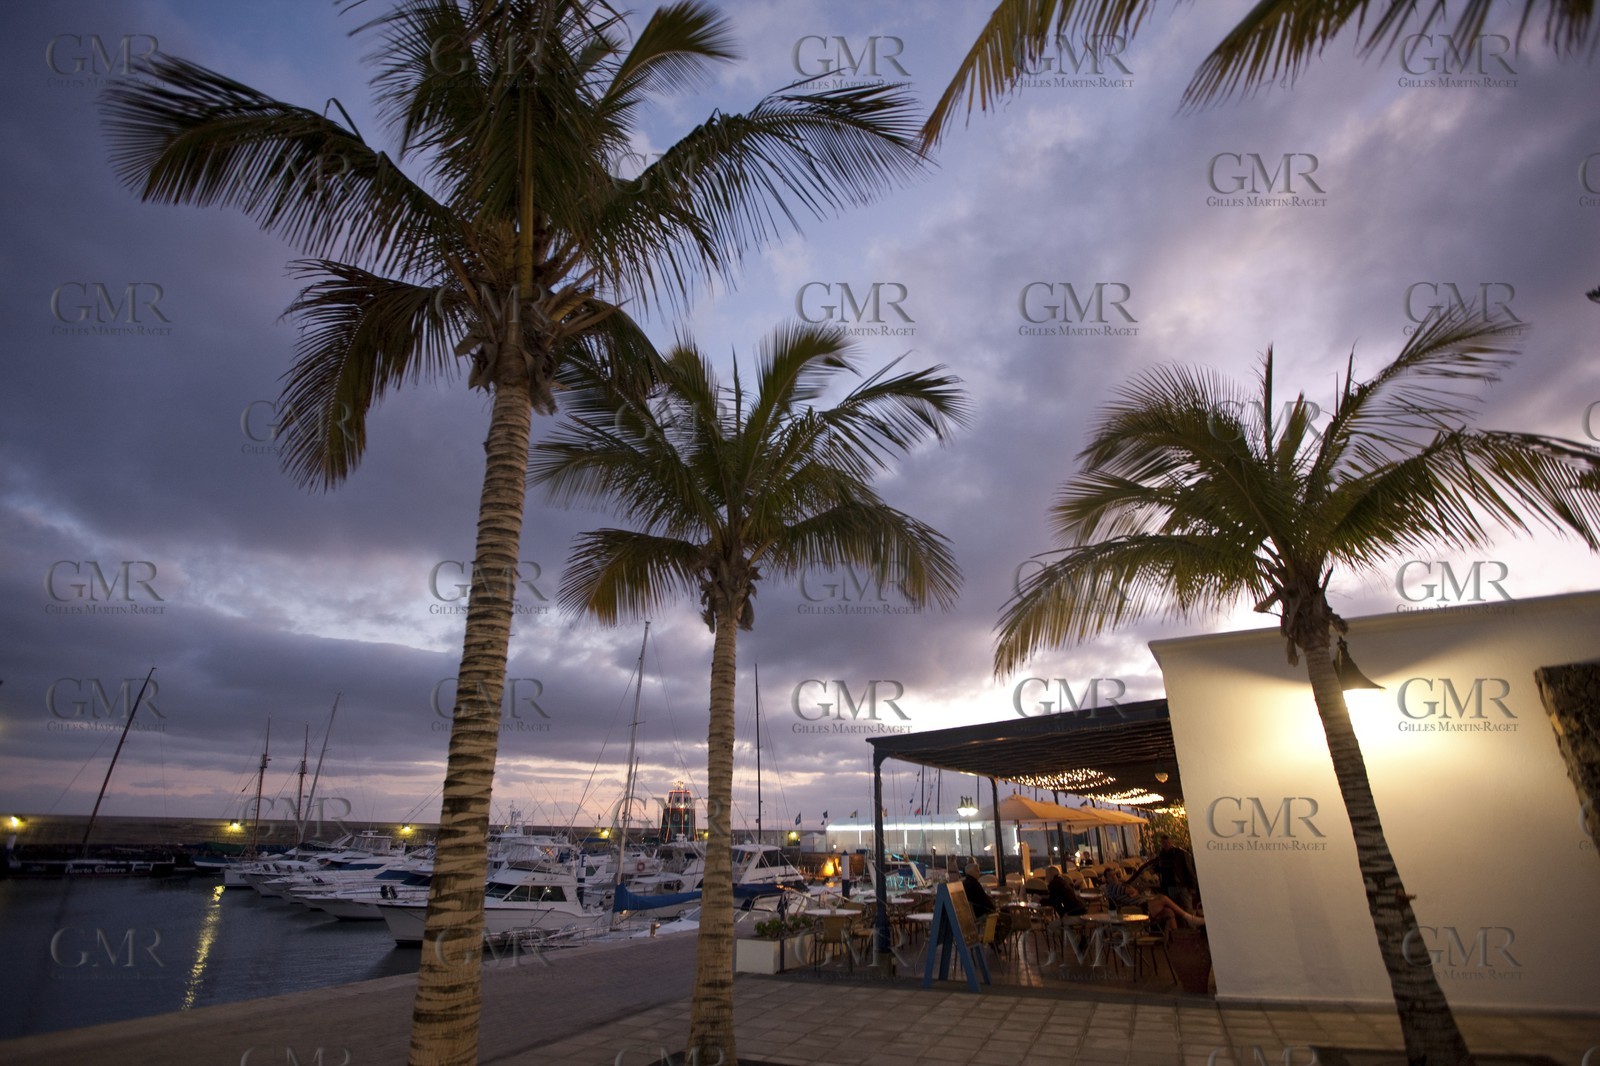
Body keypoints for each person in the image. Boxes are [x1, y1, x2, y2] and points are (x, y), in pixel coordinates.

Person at [1102, 866, 1203, 932]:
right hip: (1139, 910)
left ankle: (1175, 940)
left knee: (1169, 912)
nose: (1113, 877)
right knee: (1163, 898)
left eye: (1114, 874)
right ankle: (1189, 918)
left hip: (1141, 906)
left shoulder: (1118, 885)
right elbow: (1131, 891)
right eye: (1110, 876)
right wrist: (1132, 891)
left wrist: (1133, 891)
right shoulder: (1113, 887)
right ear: (1106, 879)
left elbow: (1134, 890)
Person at [1132, 835, 1199, 911]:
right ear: (1162, 844)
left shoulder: (1181, 853)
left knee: (1188, 908)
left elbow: (1189, 870)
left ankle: (1190, 922)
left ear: (1171, 842)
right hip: (1170, 886)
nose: (1166, 844)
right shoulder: (1162, 855)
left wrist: (1192, 886)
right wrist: (1152, 870)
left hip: (1182, 885)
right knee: (1175, 908)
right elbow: (1159, 868)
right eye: (1164, 843)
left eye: (1168, 842)